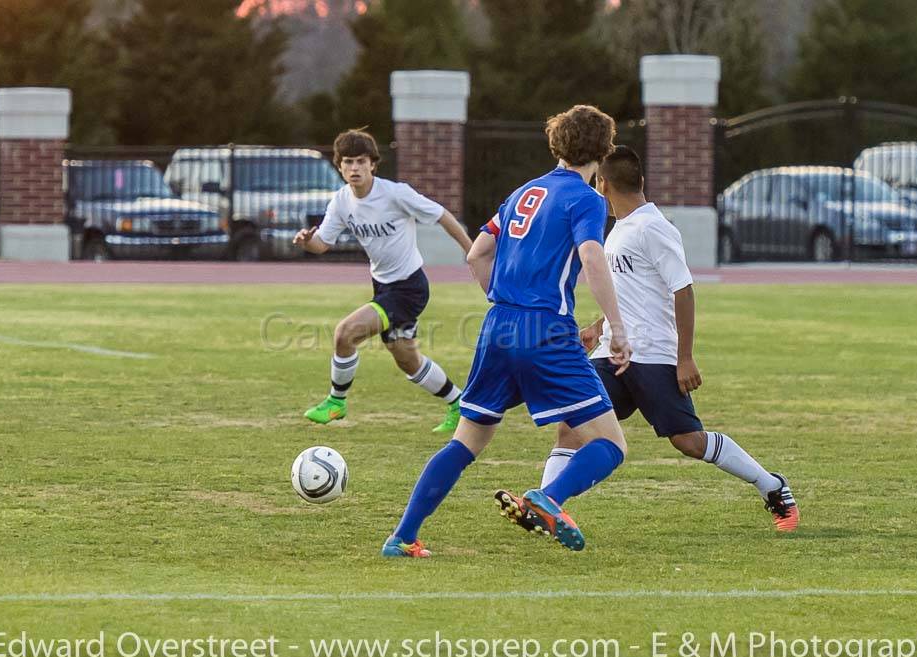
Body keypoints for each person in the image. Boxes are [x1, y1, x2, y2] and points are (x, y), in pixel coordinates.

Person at [502, 145, 799, 534]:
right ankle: (545, 505)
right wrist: (597, 326)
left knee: (688, 442)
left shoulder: (654, 228)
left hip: (652, 356)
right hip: (611, 353)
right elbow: (629, 292)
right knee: (570, 427)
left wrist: (685, 357)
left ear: (603, 184)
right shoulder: (619, 231)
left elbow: (683, 289)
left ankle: (773, 487)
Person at [381, 105, 631, 558]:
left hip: (498, 325)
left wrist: (506, 301)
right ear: (603, 151)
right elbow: (593, 257)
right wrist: (618, 327)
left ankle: (402, 537)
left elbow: (477, 254)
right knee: (611, 444)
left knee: (468, 439)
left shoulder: (523, 192)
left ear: (556, 143)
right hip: (546, 330)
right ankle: (550, 497)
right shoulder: (587, 200)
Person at [293, 129, 473, 434]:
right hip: (383, 286)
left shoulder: (395, 194)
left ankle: (336, 402)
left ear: (373, 164)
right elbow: (323, 243)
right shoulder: (341, 202)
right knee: (407, 359)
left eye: (361, 161)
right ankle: (459, 404)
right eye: (348, 162)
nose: (354, 168)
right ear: (339, 166)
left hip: (409, 287)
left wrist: (471, 252)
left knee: (344, 334)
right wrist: (306, 243)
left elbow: (442, 214)